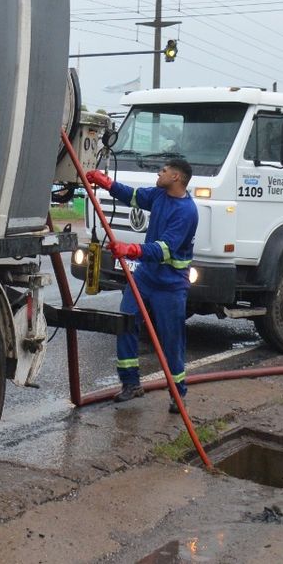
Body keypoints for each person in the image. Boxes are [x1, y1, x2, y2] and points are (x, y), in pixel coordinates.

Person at [86, 159, 197, 413]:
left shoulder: (186, 212)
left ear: (177, 178)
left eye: (165, 170)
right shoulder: (159, 195)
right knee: (126, 322)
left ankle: (177, 394)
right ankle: (130, 384)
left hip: (170, 285)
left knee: (171, 340)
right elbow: (133, 196)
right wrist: (108, 184)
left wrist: (131, 249)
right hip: (145, 277)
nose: (159, 173)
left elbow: (164, 249)